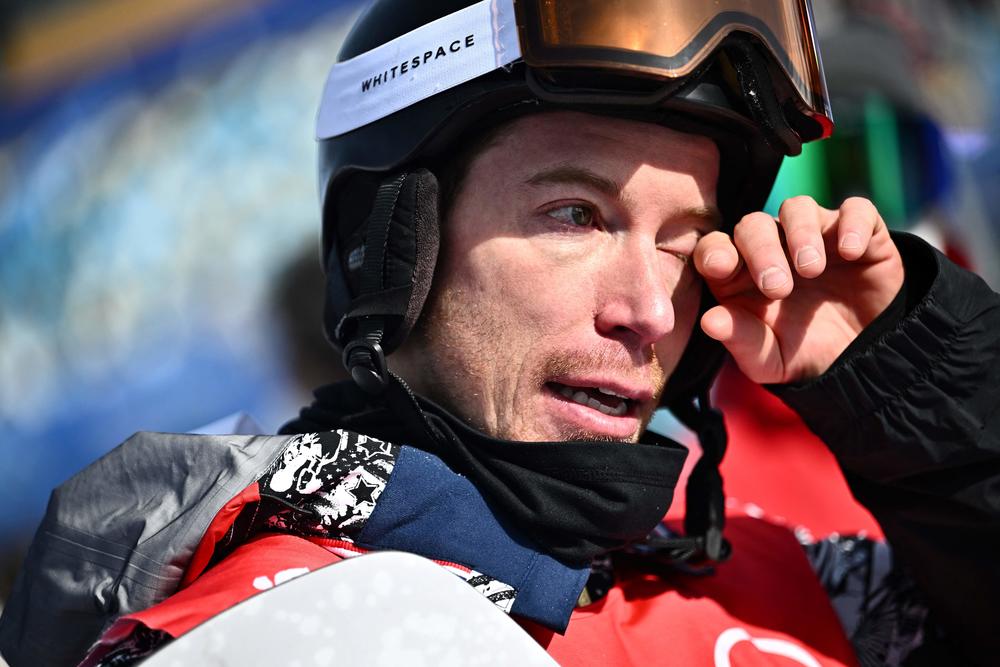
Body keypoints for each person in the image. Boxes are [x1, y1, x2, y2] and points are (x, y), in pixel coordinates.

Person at [1, 1, 998, 666]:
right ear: (395, 251)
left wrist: (921, 391)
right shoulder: (279, 622)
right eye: (574, 216)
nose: (651, 308)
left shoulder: (804, 587)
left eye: (685, 242)